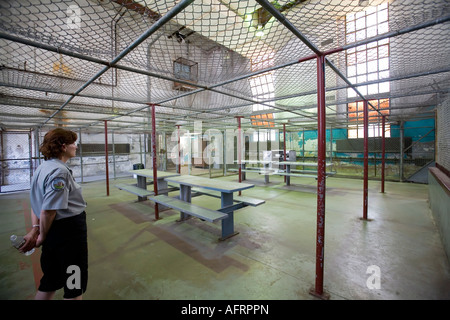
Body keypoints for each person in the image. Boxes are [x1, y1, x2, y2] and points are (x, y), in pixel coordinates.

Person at [21, 128, 88, 300]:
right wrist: (41, 236)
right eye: (73, 143)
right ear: (63, 146)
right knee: (74, 283)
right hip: (67, 233)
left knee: (51, 278)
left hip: (53, 231)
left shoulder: (43, 167)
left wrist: (36, 228)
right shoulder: (59, 172)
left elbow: (36, 202)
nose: (76, 146)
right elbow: (48, 210)